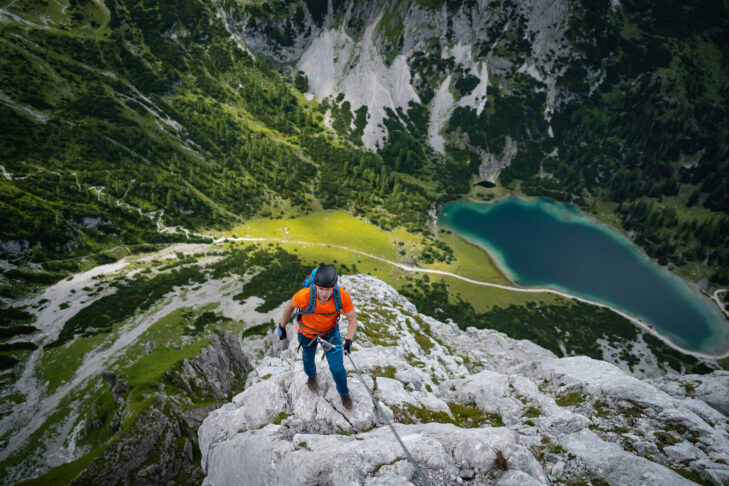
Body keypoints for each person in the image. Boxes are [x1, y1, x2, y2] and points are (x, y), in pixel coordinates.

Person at [277, 264, 358, 411]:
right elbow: (290, 307)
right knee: (308, 360)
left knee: (337, 368)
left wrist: (349, 340)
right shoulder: (305, 296)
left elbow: (353, 319)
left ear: (334, 286)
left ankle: (344, 394)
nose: (325, 293)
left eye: (328, 289)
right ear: (315, 285)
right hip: (307, 333)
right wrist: (282, 326)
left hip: (330, 333)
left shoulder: (341, 296)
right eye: (321, 289)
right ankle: (311, 375)